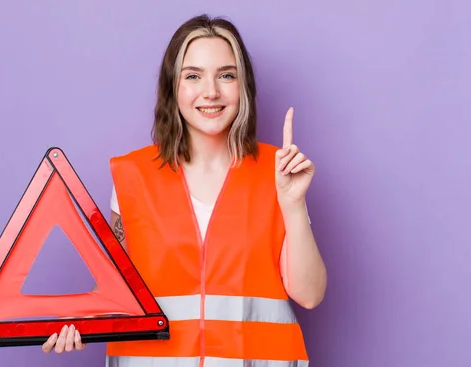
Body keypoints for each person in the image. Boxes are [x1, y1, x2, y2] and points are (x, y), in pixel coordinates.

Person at [42, 13, 326, 366]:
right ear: (173, 87)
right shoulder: (132, 175)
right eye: (193, 76)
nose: (211, 91)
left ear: (243, 87)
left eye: (226, 75)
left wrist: (294, 203)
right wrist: (76, 322)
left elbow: (310, 295)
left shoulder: (279, 172)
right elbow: (115, 291)